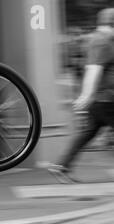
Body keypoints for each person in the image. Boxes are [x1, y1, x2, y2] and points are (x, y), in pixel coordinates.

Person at [48, 8, 114, 183]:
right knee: (87, 133)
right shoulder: (103, 41)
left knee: (87, 134)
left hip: (99, 100)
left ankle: (61, 166)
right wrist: (87, 95)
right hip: (106, 99)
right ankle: (62, 166)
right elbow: (94, 69)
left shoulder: (97, 39)